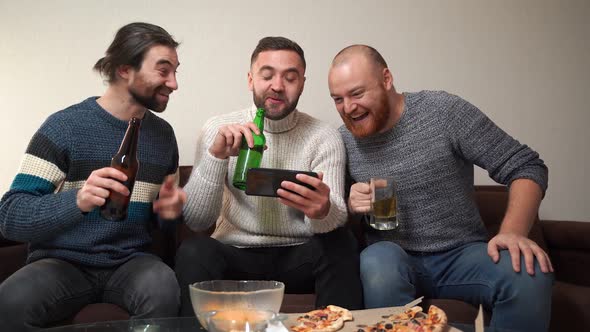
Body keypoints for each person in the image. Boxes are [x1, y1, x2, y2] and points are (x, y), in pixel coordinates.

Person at [327, 45, 554, 331]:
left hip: (462, 254)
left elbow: (526, 165)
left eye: (357, 93)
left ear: (386, 79)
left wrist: (513, 231)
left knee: (529, 274)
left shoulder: (443, 112)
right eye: (338, 99)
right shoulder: (342, 141)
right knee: (376, 261)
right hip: (391, 259)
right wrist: (350, 204)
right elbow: (332, 216)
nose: (348, 108)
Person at [0, 22, 186, 330]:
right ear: (125, 69)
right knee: (8, 302)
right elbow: (11, 215)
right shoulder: (64, 128)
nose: (174, 83)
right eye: (163, 70)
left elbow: (162, 222)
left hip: (131, 263)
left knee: (163, 286)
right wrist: (78, 200)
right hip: (61, 263)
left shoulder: (163, 136)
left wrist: (169, 214)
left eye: (176, 71)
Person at [176, 36, 363, 316]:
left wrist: (324, 210)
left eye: (290, 77)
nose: (277, 85)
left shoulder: (324, 136)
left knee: (341, 242)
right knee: (194, 251)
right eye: (267, 76)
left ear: (302, 83)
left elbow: (331, 222)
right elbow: (197, 220)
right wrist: (217, 157)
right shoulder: (219, 129)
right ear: (251, 80)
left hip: (299, 255)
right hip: (235, 254)